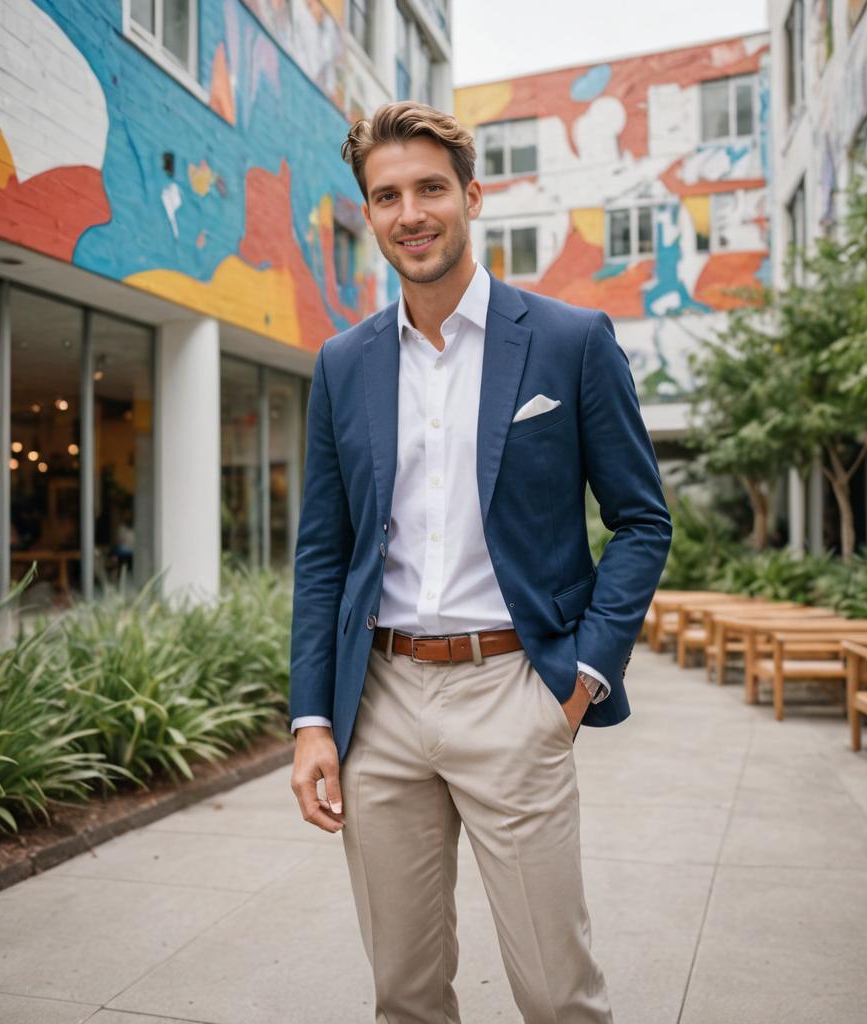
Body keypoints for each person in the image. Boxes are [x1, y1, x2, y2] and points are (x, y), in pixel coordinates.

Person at [289, 101, 671, 1024]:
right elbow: (323, 552)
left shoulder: (570, 340)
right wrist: (311, 718)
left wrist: (579, 679)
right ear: (369, 215)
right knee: (405, 996)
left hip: (515, 691)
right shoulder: (344, 362)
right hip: (376, 705)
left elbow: (643, 521)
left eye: (429, 189)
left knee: (556, 996)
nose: (410, 213)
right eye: (387, 196)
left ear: (472, 195)